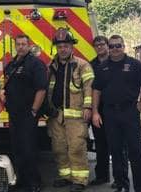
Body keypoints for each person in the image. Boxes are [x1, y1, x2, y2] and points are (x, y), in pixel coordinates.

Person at [92, 34, 141, 192]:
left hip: (129, 112)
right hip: (110, 114)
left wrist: (139, 107)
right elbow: (96, 90)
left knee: (136, 152)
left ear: (123, 46)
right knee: (116, 152)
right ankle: (121, 185)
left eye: (118, 45)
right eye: (111, 46)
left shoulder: (135, 65)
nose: (115, 49)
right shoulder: (102, 67)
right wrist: (95, 112)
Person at [47, 27, 94, 192]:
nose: (63, 49)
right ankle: (66, 176)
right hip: (56, 115)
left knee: (76, 147)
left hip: (76, 114)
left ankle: (80, 180)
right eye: (60, 46)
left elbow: (89, 88)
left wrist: (88, 107)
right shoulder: (51, 66)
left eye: (66, 46)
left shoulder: (82, 65)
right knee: (59, 147)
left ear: (71, 47)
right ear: (56, 48)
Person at [4, 34, 48, 192]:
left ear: (29, 46)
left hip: (28, 113)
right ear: (15, 46)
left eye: (24, 44)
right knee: (17, 148)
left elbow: (41, 89)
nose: (21, 47)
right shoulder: (11, 65)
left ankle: (34, 182)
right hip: (14, 114)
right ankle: (21, 180)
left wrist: (34, 110)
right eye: (18, 44)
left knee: (29, 148)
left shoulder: (36, 64)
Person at [90, 35, 129, 188]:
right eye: (97, 45)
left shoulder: (117, 62)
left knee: (119, 146)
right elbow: (92, 89)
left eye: (102, 44)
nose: (100, 47)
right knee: (101, 144)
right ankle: (102, 176)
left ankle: (121, 178)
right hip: (99, 110)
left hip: (115, 109)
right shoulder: (91, 65)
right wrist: (93, 111)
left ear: (108, 46)